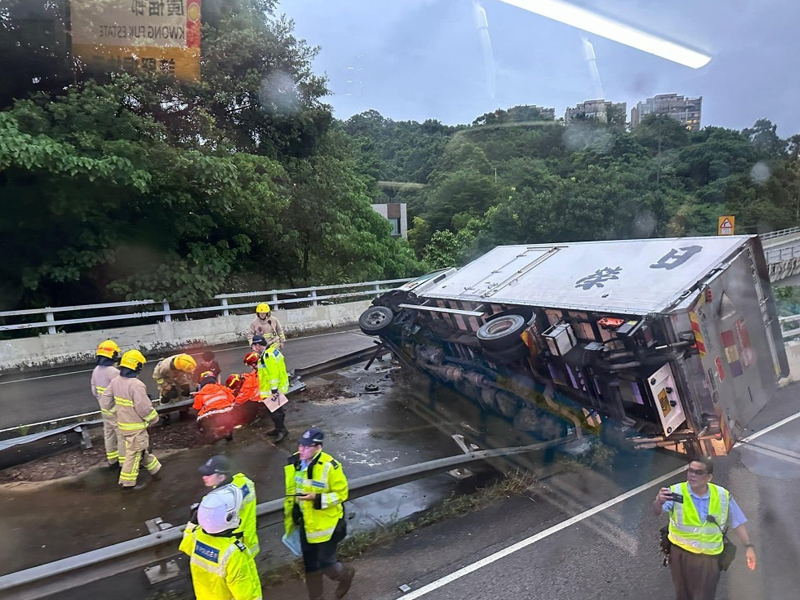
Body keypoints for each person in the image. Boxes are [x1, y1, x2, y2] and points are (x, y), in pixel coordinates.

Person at [654, 456, 757, 600]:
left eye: (698, 472)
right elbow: (657, 512)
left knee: (705, 596)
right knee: (682, 595)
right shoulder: (676, 491)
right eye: (690, 470)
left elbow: (737, 522)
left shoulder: (722, 495)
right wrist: (658, 501)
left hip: (709, 558)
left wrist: (748, 546)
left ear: (709, 477)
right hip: (680, 554)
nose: (692, 475)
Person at [284, 428, 355, 600]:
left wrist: (317, 498)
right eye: (301, 445)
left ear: (318, 447)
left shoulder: (330, 466)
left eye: (307, 447)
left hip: (327, 526)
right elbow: (292, 488)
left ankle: (345, 574)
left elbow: (341, 494)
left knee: (325, 564)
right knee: (310, 566)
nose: (301, 449)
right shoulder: (295, 461)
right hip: (306, 523)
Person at [180, 485, 262, 600]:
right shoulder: (233, 554)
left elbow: (186, 546)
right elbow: (246, 595)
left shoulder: (197, 536)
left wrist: (192, 524)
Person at [100, 350, 162, 490]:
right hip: (136, 427)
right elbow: (144, 408)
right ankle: (127, 483)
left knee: (141, 449)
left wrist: (116, 413)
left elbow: (105, 401)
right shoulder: (136, 385)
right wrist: (154, 419)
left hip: (123, 425)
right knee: (133, 454)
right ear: (137, 366)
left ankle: (156, 470)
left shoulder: (116, 381)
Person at [198, 455, 259, 557]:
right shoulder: (243, 482)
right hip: (248, 538)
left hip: (234, 544)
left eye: (209, 475)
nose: (204, 477)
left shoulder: (220, 500)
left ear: (221, 477)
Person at [90, 339, 124, 468]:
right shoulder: (113, 372)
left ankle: (112, 460)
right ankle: (123, 461)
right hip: (116, 408)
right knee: (121, 435)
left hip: (104, 408)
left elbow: (94, 390)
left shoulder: (96, 370)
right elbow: (122, 390)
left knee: (108, 433)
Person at [252, 334, 289, 443]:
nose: (253, 349)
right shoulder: (272, 351)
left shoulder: (267, 356)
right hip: (278, 386)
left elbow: (273, 374)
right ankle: (278, 428)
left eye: (254, 346)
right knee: (278, 409)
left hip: (272, 389)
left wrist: (273, 390)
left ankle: (282, 430)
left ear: (258, 345)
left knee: (274, 411)